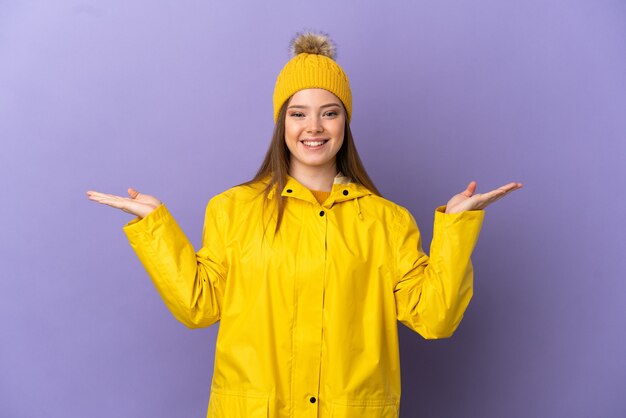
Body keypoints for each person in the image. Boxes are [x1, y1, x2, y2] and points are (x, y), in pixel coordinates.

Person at [87, 31, 522, 418]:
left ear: (345, 122)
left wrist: (456, 229)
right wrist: (155, 227)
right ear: (282, 122)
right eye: (298, 113)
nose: (313, 127)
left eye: (329, 113)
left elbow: (436, 318)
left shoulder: (386, 221)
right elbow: (198, 306)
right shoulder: (233, 209)